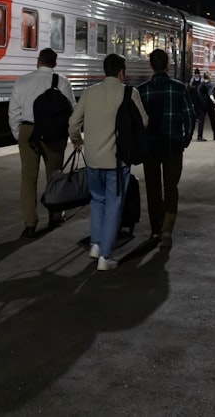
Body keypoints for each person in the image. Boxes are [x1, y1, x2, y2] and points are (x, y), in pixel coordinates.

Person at [69, 54, 148, 270]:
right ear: (122, 72)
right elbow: (144, 121)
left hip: (93, 159)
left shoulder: (89, 93)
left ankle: (95, 244)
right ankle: (105, 256)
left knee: (97, 201)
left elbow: (73, 122)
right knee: (114, 206)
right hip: (117, 161)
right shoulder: (130, 93)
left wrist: (78, 141)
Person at [8, 48, 75, 238]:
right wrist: (69, 134)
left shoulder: (23, 80)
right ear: (55, 63)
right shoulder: (62, 81)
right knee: (55, 175)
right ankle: (55, 215)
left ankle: (30, 224)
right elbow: (71, 109)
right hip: (54, 132)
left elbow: (13, 112)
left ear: (38, 61)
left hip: (28, 130)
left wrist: (18, 133)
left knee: (28, 179)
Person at [137, 49, 196, 248]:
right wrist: (185, 140)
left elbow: (137, 122)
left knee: (153, 188)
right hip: (173, 145)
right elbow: (189, 117)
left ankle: (155, 229)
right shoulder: (179, 88)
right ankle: (167, 230)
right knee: (171, 187)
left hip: (150, 146)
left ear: (150, 65)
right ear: (168, 65)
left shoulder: (141, 90)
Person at [199, 72, 215, 141]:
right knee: (212, 120)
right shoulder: (210, 85)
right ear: (209, 77)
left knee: (201, 120)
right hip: (209, 105)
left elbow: (198, 93)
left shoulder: (201, 85)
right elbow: (210, 95)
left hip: (202, 104)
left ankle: (199, 136)